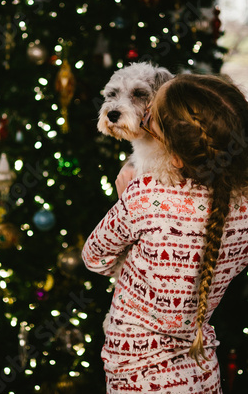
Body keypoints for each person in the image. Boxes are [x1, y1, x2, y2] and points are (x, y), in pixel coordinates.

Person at [82, 74, 248, 393]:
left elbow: (94, 257)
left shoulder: (143, 195)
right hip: (201, 371)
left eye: (152, 120)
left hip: (135, 372)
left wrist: (126, 203)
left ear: (172, 154)